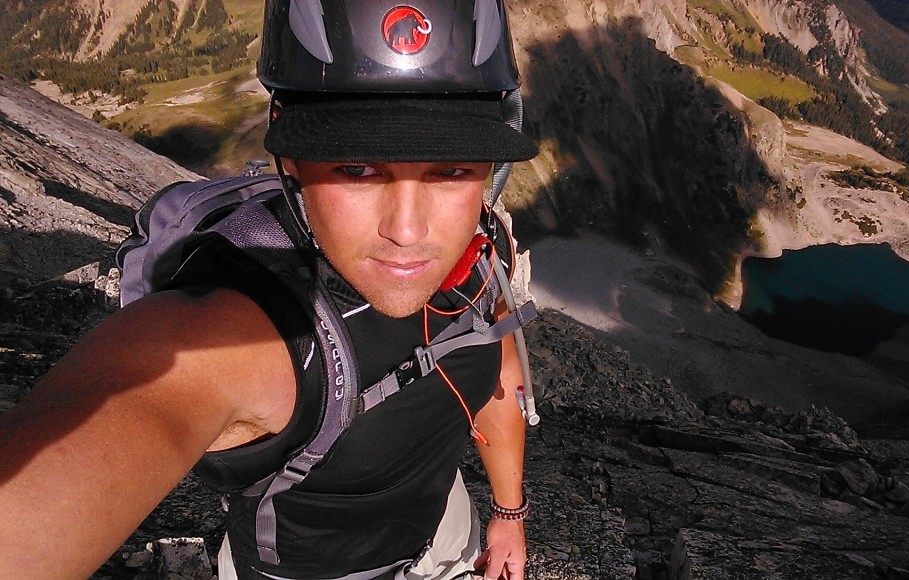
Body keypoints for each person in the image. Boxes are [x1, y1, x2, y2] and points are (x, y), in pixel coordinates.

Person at [0, 1, 539, 578]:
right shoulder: (237, 334)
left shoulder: (478, 252)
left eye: (451, 170)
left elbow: (496, 364)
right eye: (355, 168)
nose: (407, 231)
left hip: (444, 536)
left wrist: (509, 513)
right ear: (289, 159)